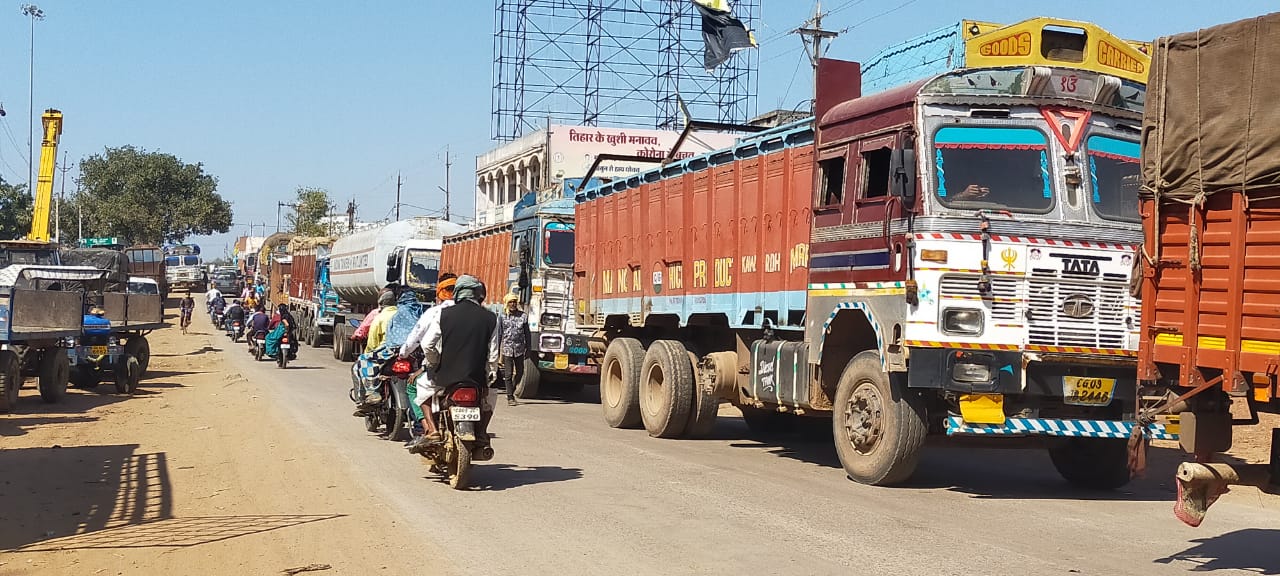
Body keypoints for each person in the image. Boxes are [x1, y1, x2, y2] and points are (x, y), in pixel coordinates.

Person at [409, 275, 498, 451]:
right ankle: (481, 432)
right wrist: (491, 375)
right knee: (490, 397)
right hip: (476, 378)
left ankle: (433, 430)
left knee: (422, 389)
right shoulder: (491, 317)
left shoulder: (443, 314)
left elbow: (428, 345)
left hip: (445, 377)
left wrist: (435, 362)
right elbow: (493, 353)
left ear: (457, 292)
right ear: (478, 294)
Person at [400, 274, 458, 443]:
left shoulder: (435, 313)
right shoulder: (479, 314)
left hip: (440, 368)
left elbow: (418, 338)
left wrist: (403, 354)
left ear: (440, 293)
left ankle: (428, 428)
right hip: (471, 370)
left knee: (413, 387)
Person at [495, 292, 531, 406]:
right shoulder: (502, 316)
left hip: (519, 348)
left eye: (514, 302)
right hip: (507, 349)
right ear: (507, 303)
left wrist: (528, 348)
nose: (513, 304)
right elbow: (499, 333)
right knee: (508, 374)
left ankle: (512, 388)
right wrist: (496, 350)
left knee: (520, 372)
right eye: (510, 302)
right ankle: (510, 397)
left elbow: (527, 333)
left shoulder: (523, 316)